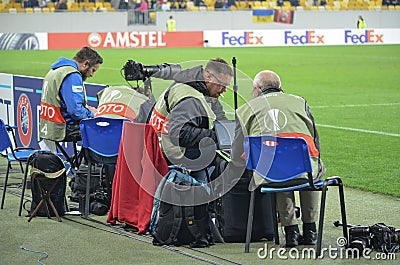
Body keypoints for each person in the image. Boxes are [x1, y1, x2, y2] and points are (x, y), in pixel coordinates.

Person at [223, 70, 325, 247]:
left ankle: (290, 232)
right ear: (280, 87)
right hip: (304, 169)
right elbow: (314, 139)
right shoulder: (300, 102)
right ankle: (311, 230)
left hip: (269, 174)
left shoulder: (245, 109)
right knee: (310, 165)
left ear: (257, 89)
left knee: (277, 168)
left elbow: (236, 152)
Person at [149, 58, 232, 183]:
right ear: (209, 77)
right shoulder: (190, 99)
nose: (224, 89)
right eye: (222, 85)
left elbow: (219, 116)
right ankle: (202, 191)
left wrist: (229, 132)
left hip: (159, 145)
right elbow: (179, 134)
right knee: (220, 155)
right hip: (170, 152)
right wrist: (217, 136)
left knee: (225, 145)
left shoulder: (197, 87)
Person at [39, 46, 103, 151]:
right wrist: (93, 114)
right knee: (104, 129)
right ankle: (87, 164)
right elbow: (75, 112)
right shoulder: (72, 75)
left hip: (49, 126)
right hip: (64, 127)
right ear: (85, 64)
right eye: (93, 70)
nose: (92, 74)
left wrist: (86, 109)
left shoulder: (55, 70)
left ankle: (83, 162)